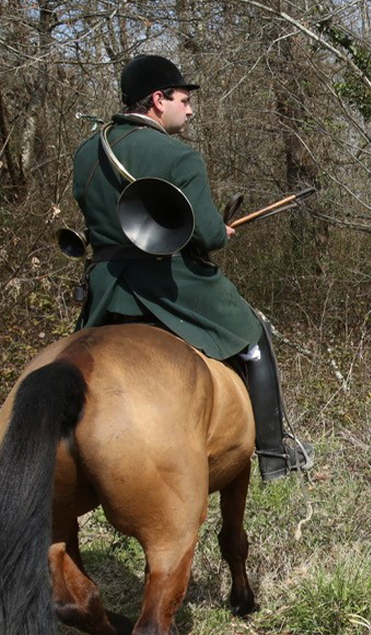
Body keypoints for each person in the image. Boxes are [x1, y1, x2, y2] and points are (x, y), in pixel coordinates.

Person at [71, 54, 311, 481]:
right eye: (184, 98)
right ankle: (274, 456)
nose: (191, 108)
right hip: (166, 282)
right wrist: (219, 231)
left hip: (106, 287)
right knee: (254, 335)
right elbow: (209, 237)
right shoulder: (179, 157)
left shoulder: (87, 154)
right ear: (158, 100)